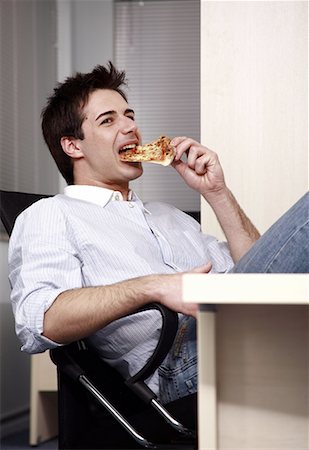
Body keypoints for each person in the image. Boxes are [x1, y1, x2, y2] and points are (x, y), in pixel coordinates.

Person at [8, 62, 308, 405]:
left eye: (130, 116)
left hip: (247, 328)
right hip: (176, 364)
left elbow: (266, 277)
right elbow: (39, 320)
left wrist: (217, 193)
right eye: (109, 120)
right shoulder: (51, 215)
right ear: (73, 146)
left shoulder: (170, 216)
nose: (131, 127)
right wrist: (154, 286)